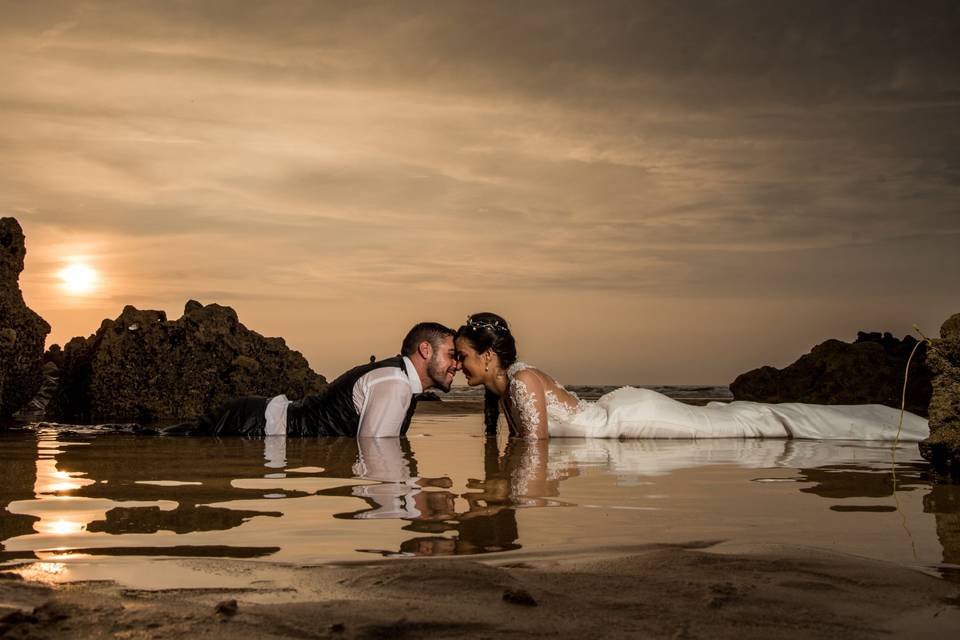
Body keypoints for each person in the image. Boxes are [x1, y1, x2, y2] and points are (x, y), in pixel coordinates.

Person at [454, 312, 930, 441]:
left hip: (629, 419)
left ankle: (899, 427)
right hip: (617, 420)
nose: (459, 366)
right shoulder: (503, 387)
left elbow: (533, 453)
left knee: (738, 425)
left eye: (463, 356)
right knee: (733, 420)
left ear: (490, 355)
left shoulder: (519, 381)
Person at [168, 322, 459, 437]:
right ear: (425, 350)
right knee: (163, 440)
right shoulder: (394, 384)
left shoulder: (399, 381)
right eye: (451, 355)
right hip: (255, 426)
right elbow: (376, 455)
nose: (456, 364)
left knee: (168, 436)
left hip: (260, 422)